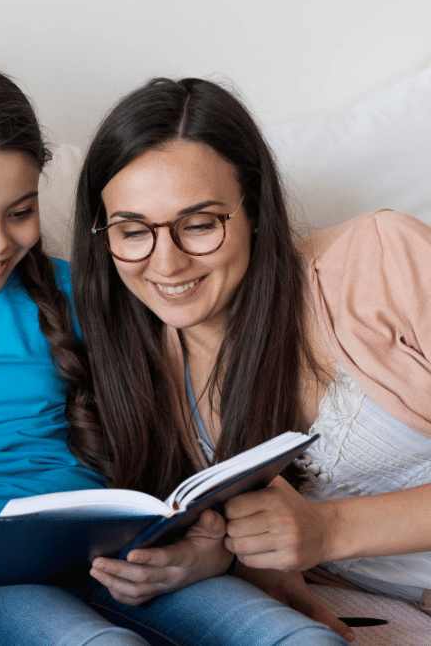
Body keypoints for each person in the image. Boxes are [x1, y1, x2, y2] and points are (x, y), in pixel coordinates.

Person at [0, 65, 345, 646]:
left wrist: (197, 551)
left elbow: (165, 441)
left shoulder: (74, 293)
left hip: (114, 556)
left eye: (20, 211)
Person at [72, 75, 431, 642]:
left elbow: (316, 533)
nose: (166, 264)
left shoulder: (380, 260)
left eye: (198, 225)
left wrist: (329, 530)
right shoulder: (146, 376)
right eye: (133, 230)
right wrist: (218, 558)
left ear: (256, 210)